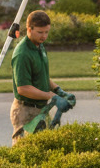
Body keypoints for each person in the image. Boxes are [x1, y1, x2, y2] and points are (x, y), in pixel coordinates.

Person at [9, 10, 69, 142]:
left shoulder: (39, 46)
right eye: (40, 32)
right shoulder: (22, 54)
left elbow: (41, 76)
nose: (44, 36)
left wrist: (58, 90)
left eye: (47, 32)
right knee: (23, 152)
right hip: (25, 111)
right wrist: (52, 96)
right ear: (29, 29)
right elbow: (23, 88)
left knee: (43, 149)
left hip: (41, 109)